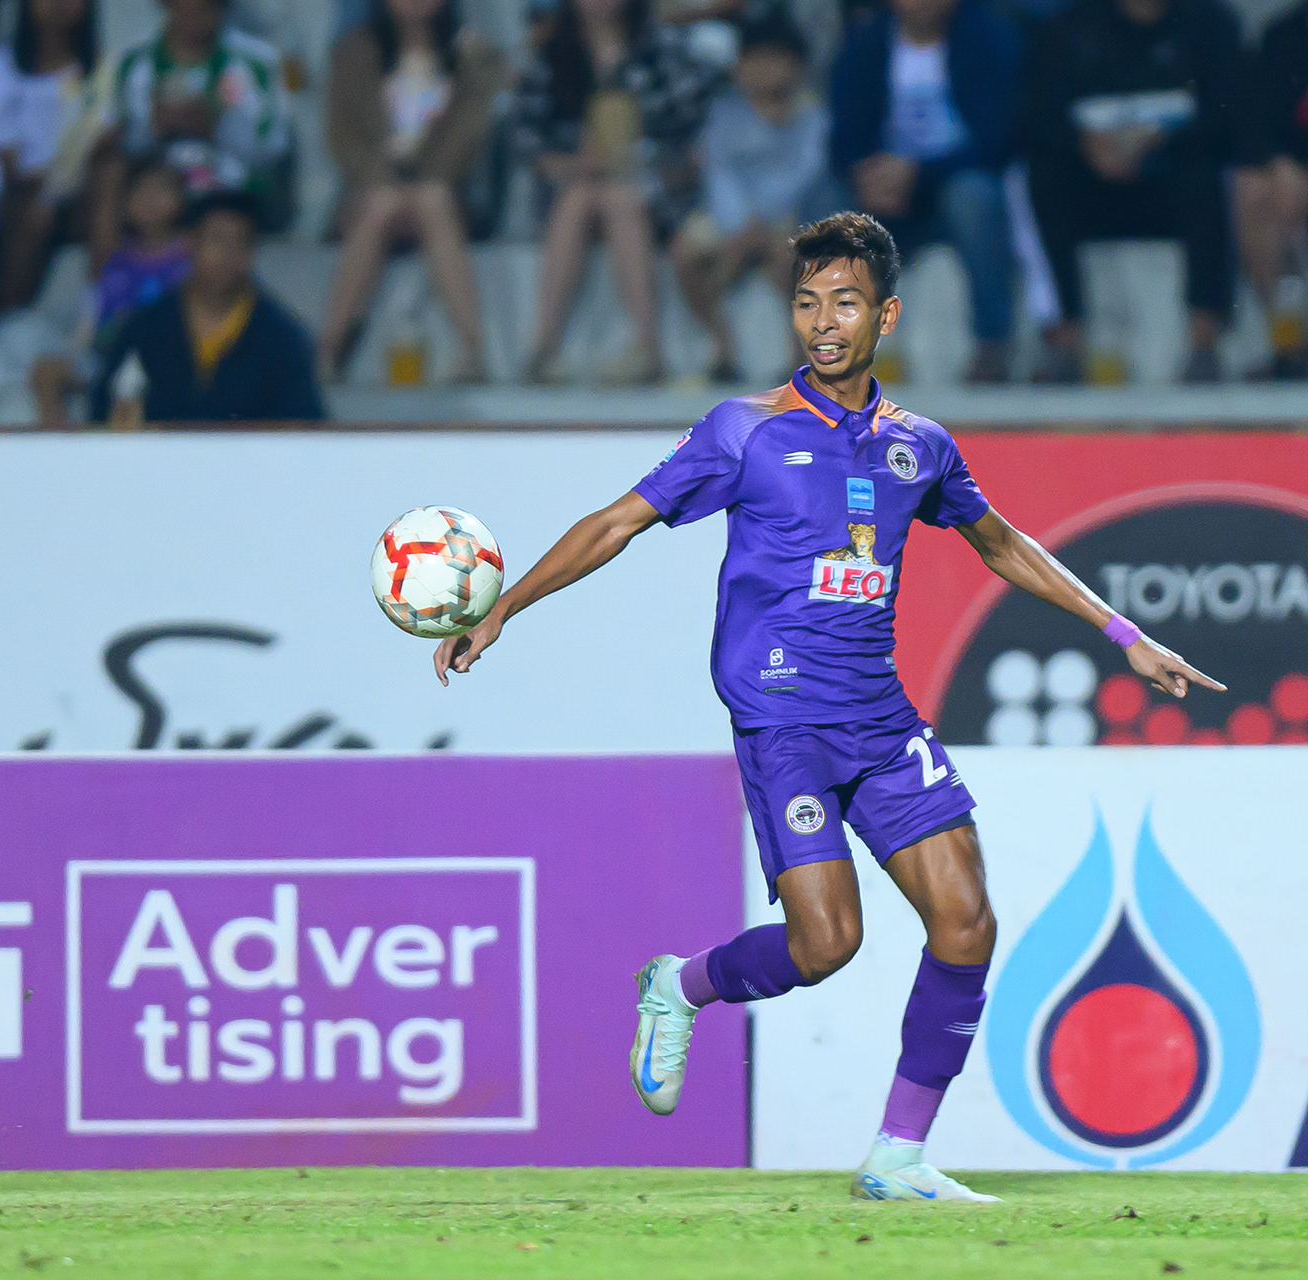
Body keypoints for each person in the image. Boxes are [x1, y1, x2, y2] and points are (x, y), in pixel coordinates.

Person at [433, 211, 1222, 1200]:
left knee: (967, 922)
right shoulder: (745, 429)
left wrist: (1122, 633)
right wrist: (505, 607)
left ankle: (898, 1155)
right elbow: (617, 522)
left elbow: (1001, 542)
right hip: (782, 721)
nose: (822, 322)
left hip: (880, 720)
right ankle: (680, 984)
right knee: (827, 944)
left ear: (885, 315)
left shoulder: (919, 447)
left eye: (843, 303)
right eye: (806, 303)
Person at [1023, 0, 1249, 383]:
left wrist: (1161, 140)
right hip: (1090, 184)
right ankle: (1065, 340)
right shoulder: (1068, 29)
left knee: (1210, 180)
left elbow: (1232, 116)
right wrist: (1085, 143)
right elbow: (1035, 117)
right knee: (1039, 177)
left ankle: (1204, 343)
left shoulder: (1208, 24)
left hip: (1174, 178)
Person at [515, 0, 728, 386]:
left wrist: (637, 153)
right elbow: (527, 138)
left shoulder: (658, 48)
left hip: (652, 189)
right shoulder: (553, 54)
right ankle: (545, 348)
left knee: (619, 199)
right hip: (573, 185)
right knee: (578, 199)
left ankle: (648, 349)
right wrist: (572, 163)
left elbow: (691, 118)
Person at [829, 0, 1020, 383]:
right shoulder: (866, 42)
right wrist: (864, 173)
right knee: (824, 205)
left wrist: (920, 173)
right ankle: (830, 346)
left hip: (953, 177)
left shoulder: (987, 38)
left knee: (975, 198)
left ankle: (992, 342)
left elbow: (998, 137)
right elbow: (842, 132)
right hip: (880, 182)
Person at [316, 0, 506, 384]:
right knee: (381, 205)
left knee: (432, 200)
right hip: (371, 190)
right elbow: (342, 138)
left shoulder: (472, 55)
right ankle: (327, 353)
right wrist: (385, 180)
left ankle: (472, 351)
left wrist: (422, 181)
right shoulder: (354, 52)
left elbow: (471, 136)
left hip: (447, 191)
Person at [670, 15, 828, 383]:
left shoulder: (812, 116)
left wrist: (763, 221)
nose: (765, 69)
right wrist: (738, 224)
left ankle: (799, 357)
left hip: (789, 217)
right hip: (731, 219)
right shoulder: (724, 114)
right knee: (685, 252)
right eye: (755, 59)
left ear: (799, 66)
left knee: (798, 257)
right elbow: (718, 173)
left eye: (776, 58)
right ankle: (722, 345)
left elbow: (806, 174)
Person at [88, 189, 323, 423]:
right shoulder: (145, 328)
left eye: (240, 242)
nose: (227, 254)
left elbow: (303, 425)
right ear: (191, 242)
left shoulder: (282, 337)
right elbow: (103, 413)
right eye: (216, 239)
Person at [89, 0, 292, 270]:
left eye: (204, 8)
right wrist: (155, 127)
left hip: (230, 183)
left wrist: (216, 127)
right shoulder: (133, 62)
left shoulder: (258, 62)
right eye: (182, 7)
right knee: (119, 181)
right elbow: (122, 144)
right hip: (160, 184)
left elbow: (275, 146)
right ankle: (104, 285)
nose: (192, 17)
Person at [31, 156, 190, 425]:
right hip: (106, 357)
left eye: (161, 190)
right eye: (141, 190)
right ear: (125, 203)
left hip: (163, 359)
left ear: (181, 200)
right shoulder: (113, 258)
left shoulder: (189, 258)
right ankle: (61, 441)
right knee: (45, 372)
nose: (150, 199)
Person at [0, 0, 100, 311]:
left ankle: (102, 306)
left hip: (82, 192)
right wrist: (50, 183)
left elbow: (101, 145)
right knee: (37, 205)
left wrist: (64, 182)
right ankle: (7, 314)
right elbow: (5, 159)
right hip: (17, 191)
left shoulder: (102, 69)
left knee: (108, 175)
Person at [1235, 0, 1308, 379]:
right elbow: (1254, 121)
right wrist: (1280, 163)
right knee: (1253, 191)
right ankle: (1290, 347)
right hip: (1294, 174)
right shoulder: (1286, 35)